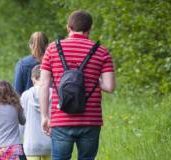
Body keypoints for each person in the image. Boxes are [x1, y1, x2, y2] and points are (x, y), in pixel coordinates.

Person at [38, 10, 116, 160]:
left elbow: (43, 84)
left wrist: (44, 116)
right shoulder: (101, 52)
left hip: (61, 118)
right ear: (90, 29)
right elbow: (109, 87)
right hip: (90, 120)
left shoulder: (53, 49)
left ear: (68, 28)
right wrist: (93, 79)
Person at [20, 66, 52, 160]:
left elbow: (21, 120)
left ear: (33, 79)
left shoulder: (26, 95)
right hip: (49, 143)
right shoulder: (54, 93)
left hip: (31, 144)